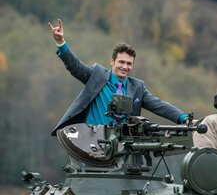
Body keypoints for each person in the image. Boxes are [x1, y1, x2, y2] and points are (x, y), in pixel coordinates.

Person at [48, 19, 189, 135]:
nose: (124, 67)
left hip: (121, 148)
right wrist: (61, 43)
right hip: (91, 141)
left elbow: (159, 105)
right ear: (112, 61)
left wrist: (183, 118)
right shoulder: (96, 76)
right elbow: (75, 66)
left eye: (129, 63)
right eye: (121, 62)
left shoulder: (137, 87)